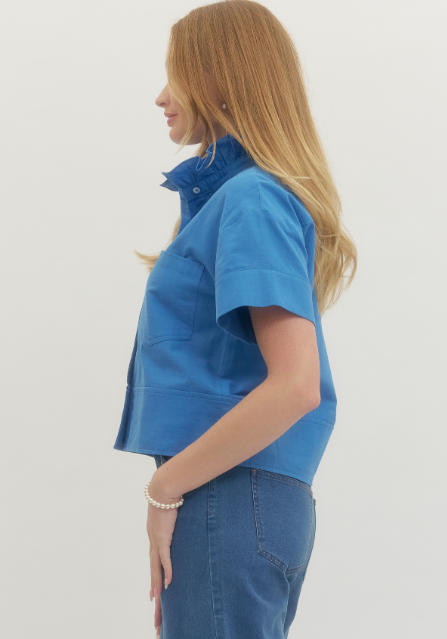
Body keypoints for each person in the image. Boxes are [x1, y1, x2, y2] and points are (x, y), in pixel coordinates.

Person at [113, 1, 357, 637]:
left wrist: (166, 487)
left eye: (176, 75)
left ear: (218, 77)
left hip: (227, 492)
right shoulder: (239, 199)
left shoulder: (252, 199)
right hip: (241, 497)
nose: (161, 97)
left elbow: (295, 384)